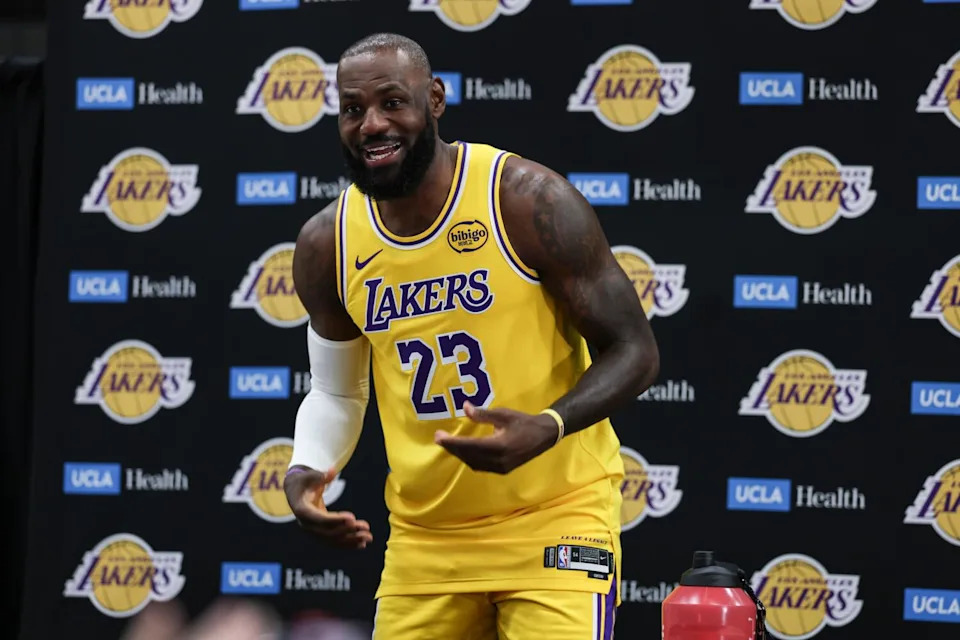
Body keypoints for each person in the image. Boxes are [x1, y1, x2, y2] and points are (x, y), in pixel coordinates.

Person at [284, 32, 660, 640]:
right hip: (426, 541)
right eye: (353, 109)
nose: (372, 124)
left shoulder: (526, 200)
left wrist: (549, 425)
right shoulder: (327, 243)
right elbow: (336, 393)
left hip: (555, 521)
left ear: (434, 99)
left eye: (392, 103)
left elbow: (636, 350)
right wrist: (307, 471)